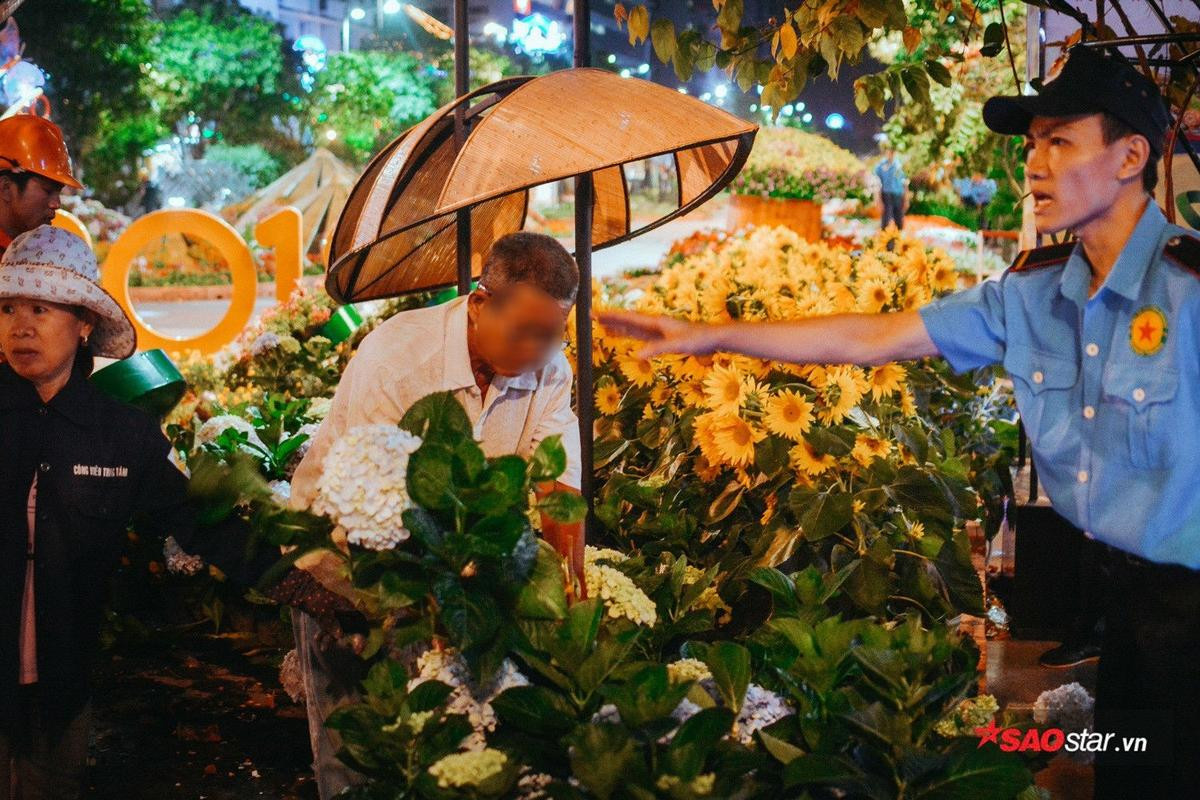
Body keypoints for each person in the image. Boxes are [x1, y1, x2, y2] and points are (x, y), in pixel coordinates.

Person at [600, 45, 1197, 799]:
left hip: (1192, 607)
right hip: (1123, 606)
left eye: (1060, 141)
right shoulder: (1032, 298)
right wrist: (710, 333)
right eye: (1031, 143)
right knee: (1136, 773)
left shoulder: (1190, 291)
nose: (1034, 165)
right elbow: (873, 337)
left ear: (1130, 156)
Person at [287, 231, 587, 799]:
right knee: (361, 750)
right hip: (347, 562)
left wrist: (571, 596)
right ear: (479, 304)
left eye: (552, 336)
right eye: (523, 332)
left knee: (451, 750)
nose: (535, 352)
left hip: (455, 572)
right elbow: (375, 503)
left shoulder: (551, 369)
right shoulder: (399, 357)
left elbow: (558, 485)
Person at [0, 226, 255, 798]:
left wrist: (299, 574)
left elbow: (197, 519)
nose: (20, 326)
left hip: (62, 683)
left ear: (84, 324)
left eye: (41, 308)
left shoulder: (125, 435)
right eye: (9, 307)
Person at [0, 116, 80, 256]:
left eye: (58, 192)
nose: (57, 204)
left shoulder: (33, 254)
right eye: (48, 190)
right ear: (6, 188)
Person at [874, 145, 908, 230]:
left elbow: (905, 184)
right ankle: (885, 241)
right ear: (886, 152)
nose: (891, 153)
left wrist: (906, 199)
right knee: (886, 221)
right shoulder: (880, 166)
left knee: (899, 221)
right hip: (886, 196)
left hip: (898, 196)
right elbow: (876, 184)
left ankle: (898, 240)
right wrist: (878, 200)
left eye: (893, 151)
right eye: (889, 151)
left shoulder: (899, 165)